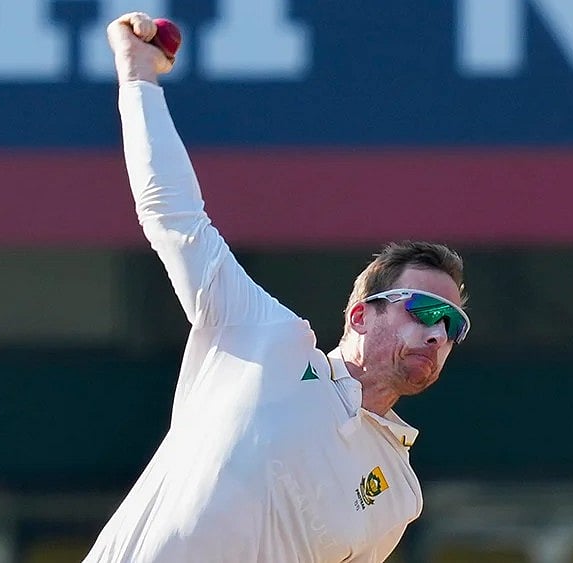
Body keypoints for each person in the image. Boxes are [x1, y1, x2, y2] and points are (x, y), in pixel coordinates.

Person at [85, 12, 471, 562]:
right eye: (423, 309)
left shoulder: (398, 495)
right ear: (361, 315)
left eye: (452, 325)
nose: (437, 333)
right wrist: (138, 77)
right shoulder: (263, 336)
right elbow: (173, 216)